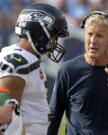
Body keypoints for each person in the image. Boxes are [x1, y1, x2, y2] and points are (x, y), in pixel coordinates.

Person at [48, 11, 108, 135]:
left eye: (99, 35)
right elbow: (54, 116)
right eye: (89, 34)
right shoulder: (68, 70)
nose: (93, 40)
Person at [0, 3, 69, 135]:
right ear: (39, 32)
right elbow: (4, 117)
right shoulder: (19, 62)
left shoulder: (27, 58)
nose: (55, 43)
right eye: (54, 36)